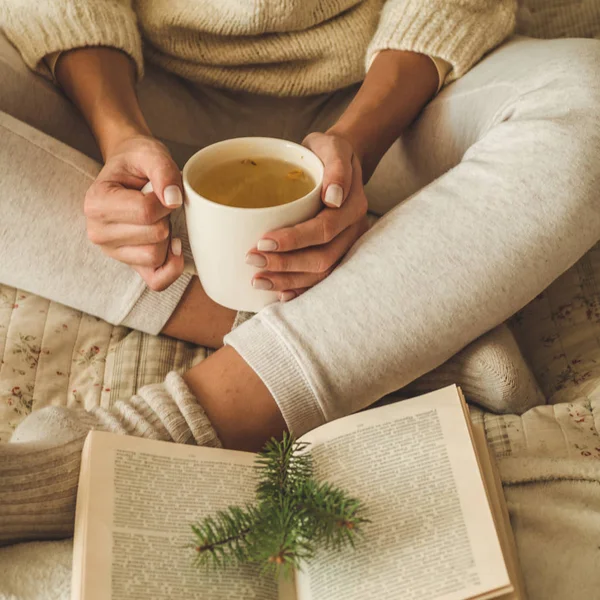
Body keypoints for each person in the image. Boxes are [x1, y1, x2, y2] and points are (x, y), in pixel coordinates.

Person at [1, 0, 599, 545]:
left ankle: (174, 428)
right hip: (138, 85)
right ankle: (389, 327)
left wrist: (353, 146)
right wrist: (120, 135)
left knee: (588, 98)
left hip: (396, 93)